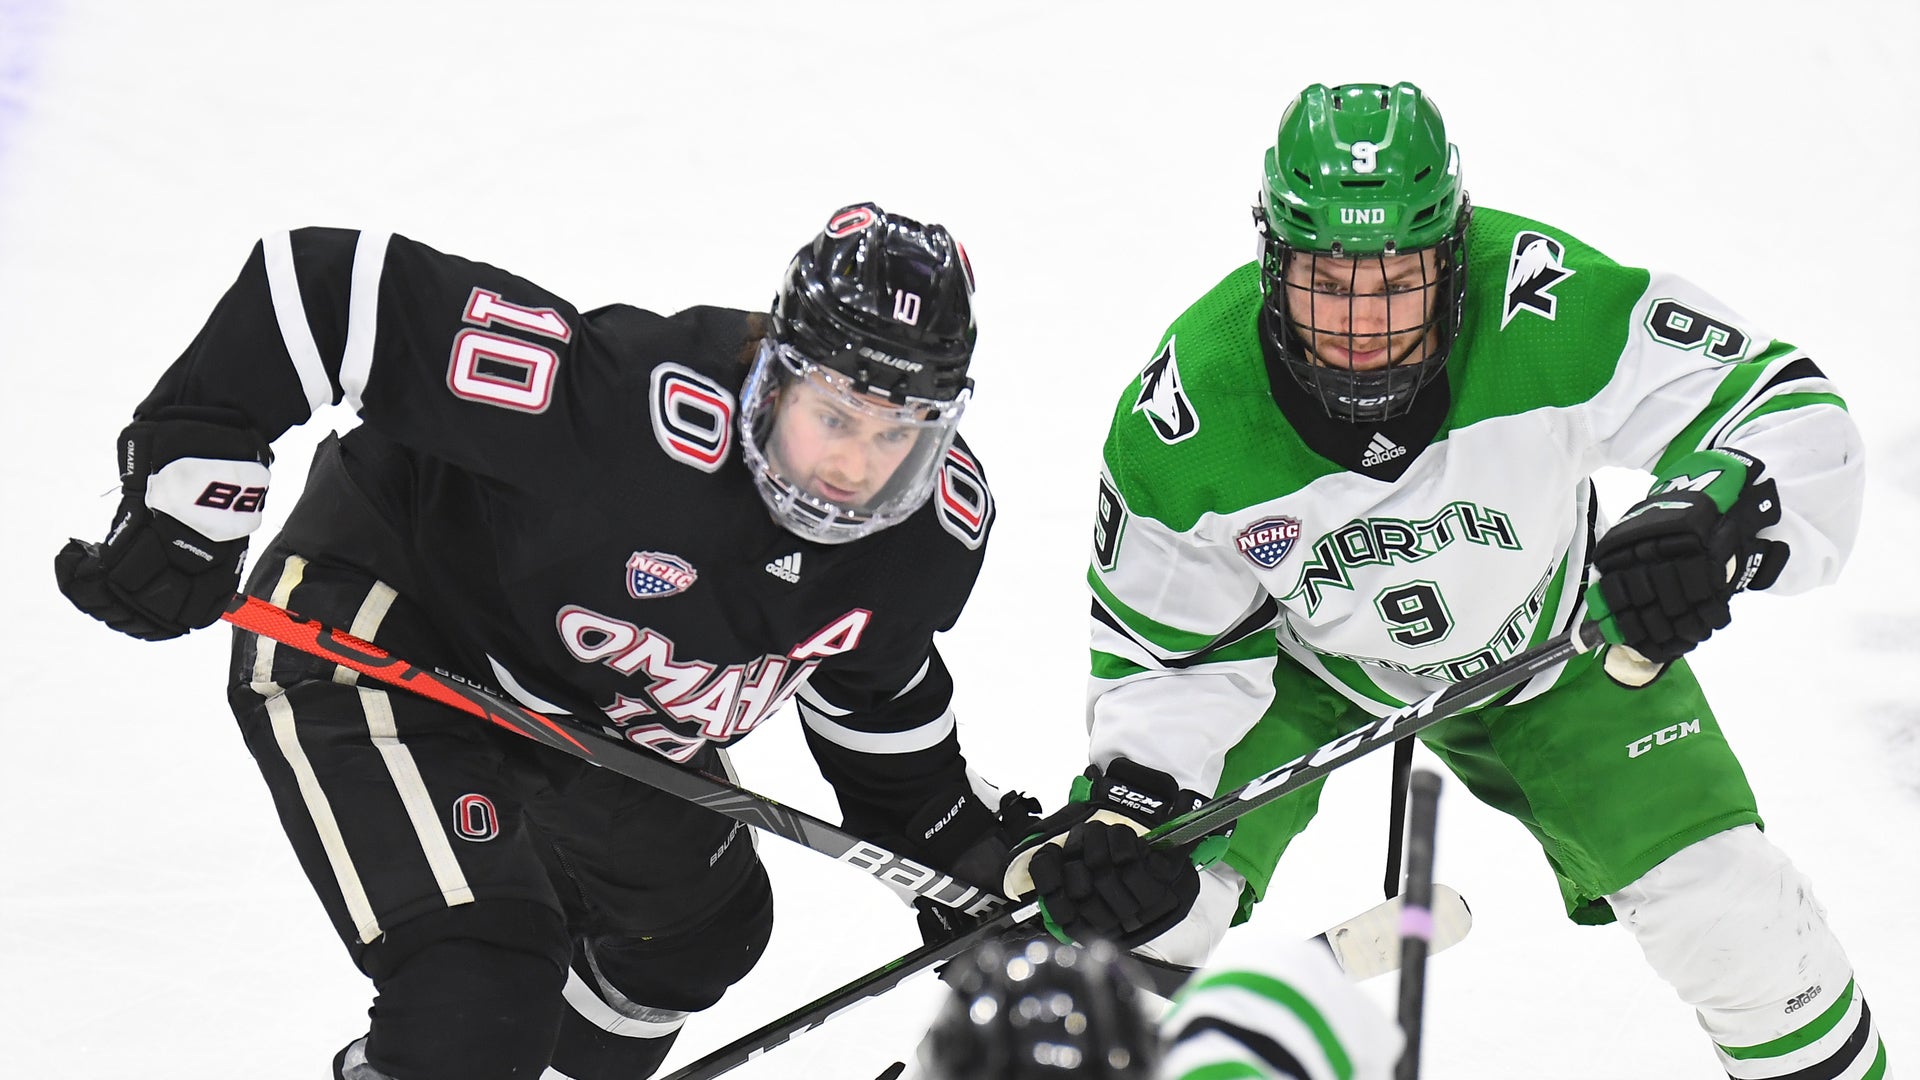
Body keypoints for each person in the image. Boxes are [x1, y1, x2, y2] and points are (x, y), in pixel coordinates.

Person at [1003, 82, 1886, 1077]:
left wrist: (1709, 520)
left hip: (1559, 646)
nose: (1362, 324)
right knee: (1136, 920)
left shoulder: (1544, 307)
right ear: (1272, 261)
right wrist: (1137, 806)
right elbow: (1165, 658)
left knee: (1735, 914)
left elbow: (1787, 411)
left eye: (1398, 281)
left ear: (1455, 260)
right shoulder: (1187, 419)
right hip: (1311, 667)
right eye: (1327, 282)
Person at [54, 202, 1037, 1080]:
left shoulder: (925, 537)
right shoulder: (620, 415)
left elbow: (871, 698)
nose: (855, 467)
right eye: (836, 416)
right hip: (379, 634)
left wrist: (969, 851)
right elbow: (327, 289)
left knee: (696, 937)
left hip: (579, 711)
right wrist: (191, 504)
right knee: (478, 1006)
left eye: (896, 431)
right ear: (774, 378)